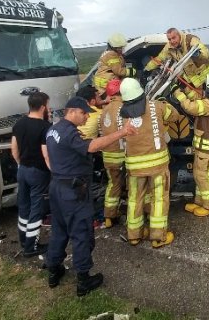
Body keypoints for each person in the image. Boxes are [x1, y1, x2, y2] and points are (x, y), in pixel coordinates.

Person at [44, 96, 136, 296]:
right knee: (82, 233)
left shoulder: (53, 130)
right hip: (73, 191)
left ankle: (53, 270)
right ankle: (84, 280)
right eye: (84, 113)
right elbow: (92, 147)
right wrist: (122, 132)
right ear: (73, 111)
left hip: (57, 187)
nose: (86, 117)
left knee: (59, 230)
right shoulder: (69, 132)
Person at [119, 77, 183, 248]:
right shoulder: (156, 106)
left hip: (134, 167)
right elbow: (175, 116)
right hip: (158, 166)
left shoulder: (121, 113)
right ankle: (157, 236)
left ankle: (134, 235)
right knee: (159, 199)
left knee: (134, 199)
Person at [171, 71, 209, 217]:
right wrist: (186, 90)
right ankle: (199, 201)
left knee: (203, 176)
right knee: (199, 175)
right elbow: (197, 101)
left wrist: (178, 93)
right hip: (207, 147)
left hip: (207, 148)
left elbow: (191, 107)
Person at [11, 92, 52, 258]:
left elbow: (13, 147)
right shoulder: (44, 127)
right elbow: (46, 154)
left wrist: (20, 163)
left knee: (24, 206)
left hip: (23, 170)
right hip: (38, 172)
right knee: (36, 208)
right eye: (48, 105)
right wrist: (53, 170)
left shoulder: (19, 124)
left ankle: (23, 239)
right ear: (43, 107)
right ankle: (31, 246)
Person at [143, 28, 209, 99]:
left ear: (179, 35)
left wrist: (198, 54)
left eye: (174, 38)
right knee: (198, 97)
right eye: (169, 39)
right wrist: (147, 68)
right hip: (194, 78)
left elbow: (205, 53)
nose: (172, 41)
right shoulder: (169, 47)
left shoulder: (190, 40)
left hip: (208, 75)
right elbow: (159, 58)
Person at [99, 79, 127, 227]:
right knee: (132, 184)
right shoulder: (125, 107)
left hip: (107, 155)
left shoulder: (104, 110)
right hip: (122, 154)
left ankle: (109, 216)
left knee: (113, 184)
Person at [93, 33, 135, 97]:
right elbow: (119, 71)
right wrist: (133, 71)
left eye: (121, 47)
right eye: (119, 48)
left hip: (104, 84)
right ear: (113, 47)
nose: (121, 49)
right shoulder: (111, 54)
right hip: (106, 85)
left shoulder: (110, 53)